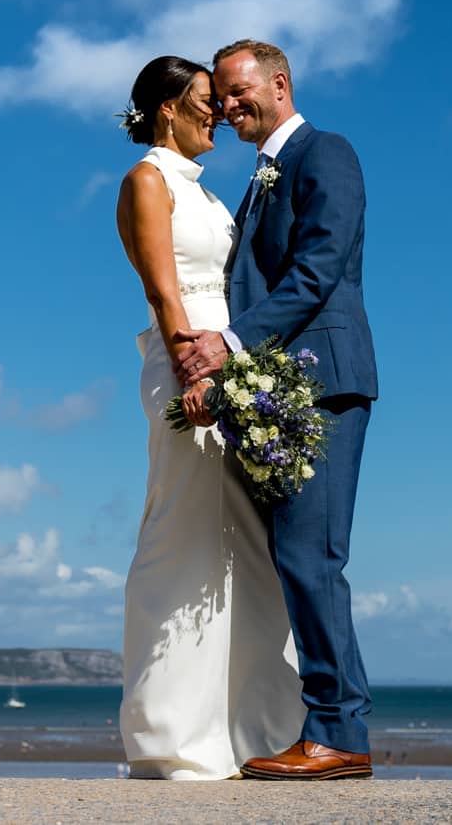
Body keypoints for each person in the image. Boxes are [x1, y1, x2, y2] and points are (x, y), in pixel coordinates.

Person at [175, 39, 379, 782]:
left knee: (311, 555)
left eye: (237, 92)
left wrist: (229, 343)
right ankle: (331, 726)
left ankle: (339, 731)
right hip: (276, 389)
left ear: (280, 82)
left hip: (323, 380)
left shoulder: (327, 153)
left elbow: (319, 266)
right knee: (296, 559)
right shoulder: (261, 180)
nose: (228, 109)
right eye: (221, 99)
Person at [115, 55, 304, 780]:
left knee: (246, 548)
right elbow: (166, 293)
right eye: (203, 100)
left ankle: (252, 730)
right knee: (184, 537)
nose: (217, 113)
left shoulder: (212, 194)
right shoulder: (147, 181)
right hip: (188, 365)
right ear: (167, 108)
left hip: (231, 366)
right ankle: (173, 733)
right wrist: (192, 369)